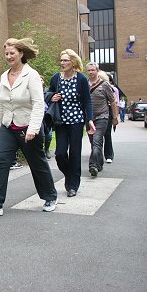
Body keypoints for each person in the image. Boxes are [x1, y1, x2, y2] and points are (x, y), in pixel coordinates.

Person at [0, 38, 58, 217]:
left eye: (12, 53)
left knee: (37, 163)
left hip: (28, 126)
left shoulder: (32, 75)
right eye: (6, 53)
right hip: (8, 125)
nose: (8, 56)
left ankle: (50, 196)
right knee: (0, 162)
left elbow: (38, 104)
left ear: (21, 53)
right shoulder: (4, 75)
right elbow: (2, 104)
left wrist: (33, 128)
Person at [48, 50, 95, 197]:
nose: (62, 63)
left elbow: (87, 100)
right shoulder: (56, 78)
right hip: (60, 121)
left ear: (73, 62)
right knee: (60, 153)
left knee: (75, 154)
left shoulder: (81, 79)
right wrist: (52, 97)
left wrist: (90, 119)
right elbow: (48, 93)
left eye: (65, 60)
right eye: (61, 60)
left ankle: (72, 186)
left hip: (76, 121)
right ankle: (71, 175)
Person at [86, 62, 118, 177]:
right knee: (93, 143)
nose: (91, 72)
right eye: (89, 70)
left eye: (93, 70)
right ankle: (99, 164)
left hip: (102, 117)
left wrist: (114, 117)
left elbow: (113, 101)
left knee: (96, 140)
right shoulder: (84, 84)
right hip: (89, 118)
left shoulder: (105, 85)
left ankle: (93, 165)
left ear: (97, 71)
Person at [0, 86, 24, 169]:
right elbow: (0, 107)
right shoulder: (1, 90)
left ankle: (12, 162)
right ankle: (12, 162)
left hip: (7, 119)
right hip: (9, 119)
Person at [102, 73, 119, 163]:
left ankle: (109, 155)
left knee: (107, 134)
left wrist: (115, 117)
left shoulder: (113, 89)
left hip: (108, 113)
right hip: (96, 113)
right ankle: (96, 154)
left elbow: (116, 102)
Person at [40, 75, 53, 159]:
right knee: (41, 135)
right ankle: (40, 152)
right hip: (38, 116)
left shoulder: (47, 91)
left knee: (49, 135)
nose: (40, 81)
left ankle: (47, 149)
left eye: (41, 80)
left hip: (46, 116)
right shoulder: (31, 90)